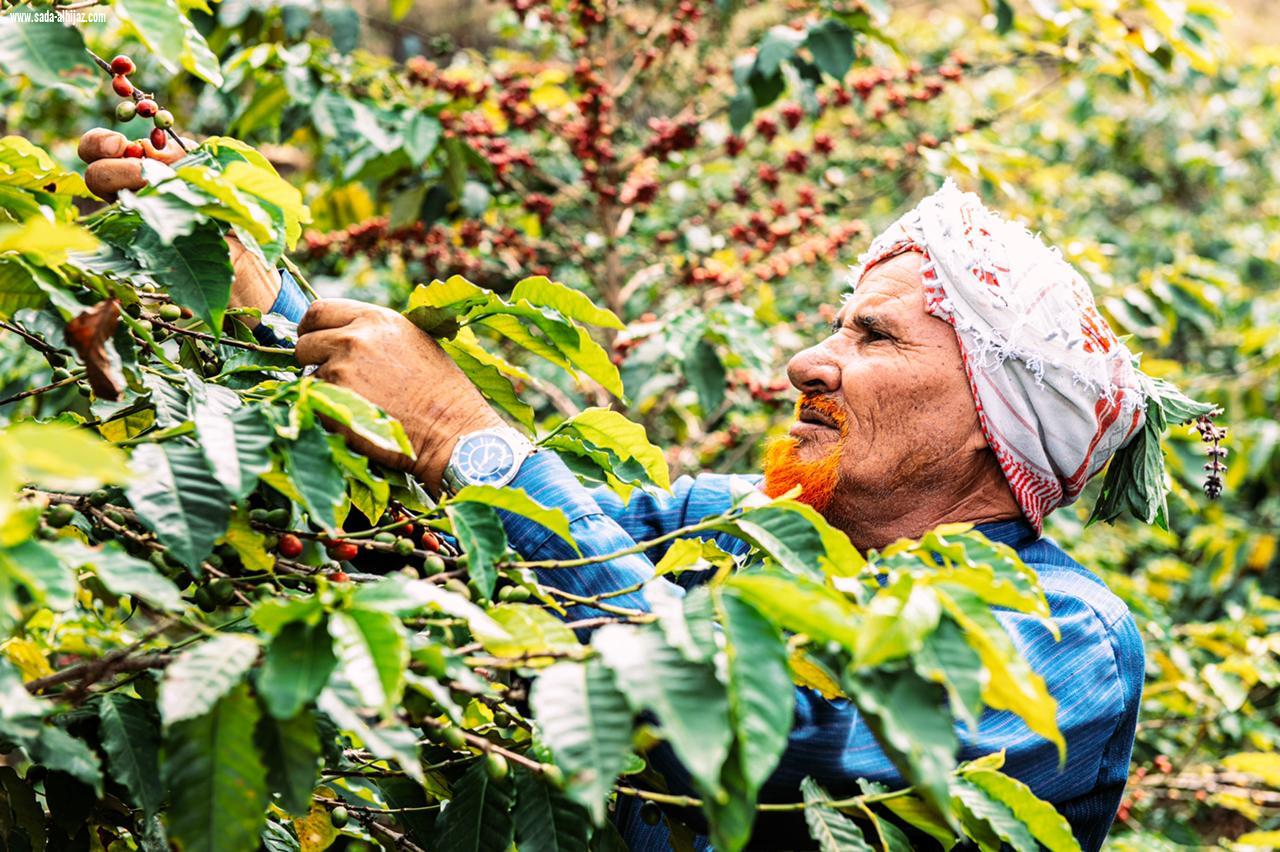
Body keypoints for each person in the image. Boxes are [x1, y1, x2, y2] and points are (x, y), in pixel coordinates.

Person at [79, 129, 1159, 851]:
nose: (805, 363)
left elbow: (763, 732)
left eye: (871, 336)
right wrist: (249, 293)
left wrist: (468, 434)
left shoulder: (1063, 634)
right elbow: (516, 544)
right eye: (834, 324)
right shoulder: (739, 530)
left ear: (987, 418)